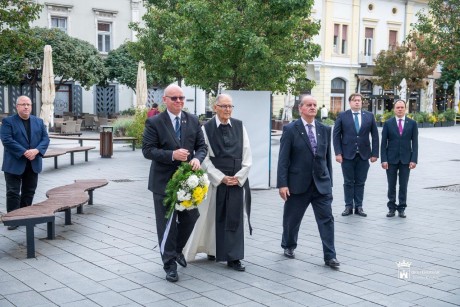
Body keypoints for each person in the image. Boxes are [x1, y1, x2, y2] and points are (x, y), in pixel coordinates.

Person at [142, 84, 207, 282]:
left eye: (181, 98)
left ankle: (177, 249)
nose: (178, 101)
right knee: (167, 224)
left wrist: (197, 159)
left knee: (191, 217)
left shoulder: (193, 120)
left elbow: (201, 146)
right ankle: (169, 264)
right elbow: (148, 150)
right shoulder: (154, 122)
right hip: (163, 183)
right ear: (165, 100)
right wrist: (172, 155)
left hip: (187, 182)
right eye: (174, 98)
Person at [183, 94, 252, 271]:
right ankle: (212, 249)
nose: (227, 110)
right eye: (224, 106)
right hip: (216, 179)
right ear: (215, 107)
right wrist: (220, 177)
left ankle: (233, 256)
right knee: (212, 217)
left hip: (236, 178)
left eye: (230, 106)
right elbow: (204, 156)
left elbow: (247, 154)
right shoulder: (206, 128)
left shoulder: (239, 126)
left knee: (234, 218)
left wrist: (239, 176)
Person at [277, 95, 339, 268]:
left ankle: (330, 256)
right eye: (309, 105)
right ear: (301, 108)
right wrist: (282, 184)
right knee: (292, 219)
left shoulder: (325, 129)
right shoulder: (290, 129)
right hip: (297, 184)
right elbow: (283, 159)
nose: (313, 107)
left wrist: (329, 183)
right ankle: (288, 244)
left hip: (321, 184)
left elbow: (327, 159)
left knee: (327, 220)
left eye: (314, 105)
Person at [1, 96, 50, 230]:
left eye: (28, 104)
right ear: (17, 106)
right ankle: (13, 219)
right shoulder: (8, 121)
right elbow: (7, 140)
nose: (26, 107)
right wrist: (24, 152)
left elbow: (45, 139)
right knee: (13, 192)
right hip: (14, 163)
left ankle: (25, 215)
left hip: (33, 162)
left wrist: (36, 150)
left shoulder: (39, 122)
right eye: (23, 104)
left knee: (29, 191)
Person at [333, 93, 379, 217]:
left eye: (359, 100)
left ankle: (359, 206)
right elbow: (336, 135)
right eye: (354, 101)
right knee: (348, 181)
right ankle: (348, 206)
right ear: (350, 102)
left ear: (361, 102)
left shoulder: (369, 116)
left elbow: (375, 135)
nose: (357, 102)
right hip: (347, 155)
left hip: (364, 155)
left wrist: (375, 153)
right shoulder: (343, 116)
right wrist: (338, 153)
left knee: (360, 182)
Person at [381, 100, 418, 218]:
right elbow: (383, 144)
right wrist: (384, 159)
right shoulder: (388, 123)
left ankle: (402, 208)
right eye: (398, 107)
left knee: (403, 185)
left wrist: (414, 159)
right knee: (391, 185)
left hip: (406, 159)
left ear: (405, 109)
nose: (400, 109)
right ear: (394, 109)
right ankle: (391, 208)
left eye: (402, 107)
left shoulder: (412, 123)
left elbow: (415, 143)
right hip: (391, 159)